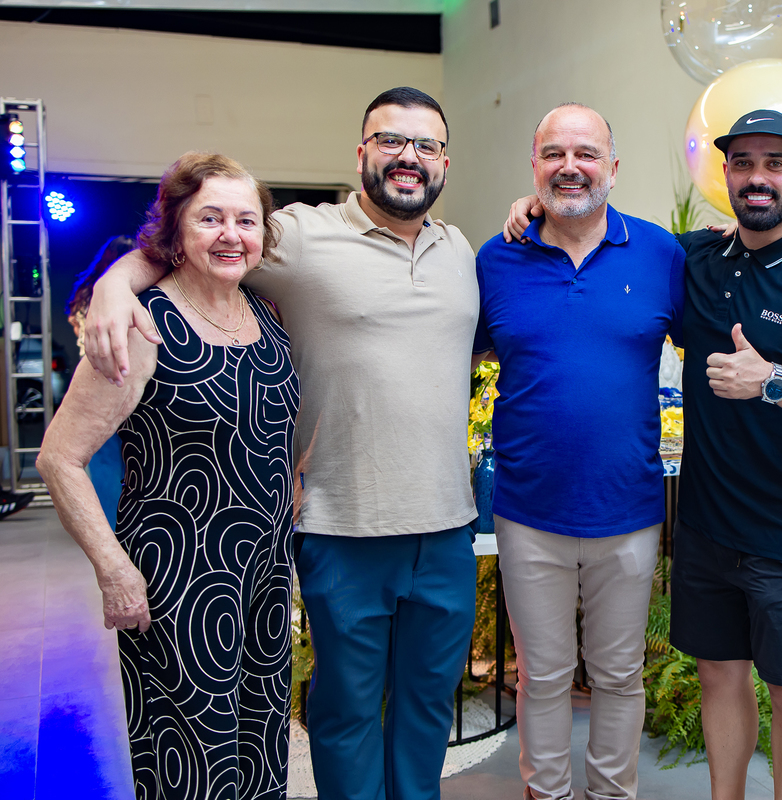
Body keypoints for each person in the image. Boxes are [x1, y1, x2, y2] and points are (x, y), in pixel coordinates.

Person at [83, 87, 480, 800]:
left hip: (447, 527)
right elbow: (196, 243)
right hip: (342, 526)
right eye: (390, 140)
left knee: (427, 708)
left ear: (444, 162)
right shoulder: (297, 235)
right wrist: (116, 283)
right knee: (346, 711)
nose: (408, 157)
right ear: (362, 153)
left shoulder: (460, 250)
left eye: (425, 145)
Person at [505, 108, 782, 800]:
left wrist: (772, 381)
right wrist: (539, 207)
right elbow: (597, 231)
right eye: (743, 163)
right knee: (719, 675)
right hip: (707, 526)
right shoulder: (694, 259)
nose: (757, 177)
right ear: (726, 174)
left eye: (775, 163)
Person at [38, 153, 299, 799]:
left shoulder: (268, 317)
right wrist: (113, 569)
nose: (231, 234)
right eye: (210, 218)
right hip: (179, 586)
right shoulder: (142, 324)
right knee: (193, 768)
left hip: (262, 578)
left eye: (246, 220)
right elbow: (59, 458)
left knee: (261, 750)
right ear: (175, 231)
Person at [477, 102, 684, 800]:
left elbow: (711, 331)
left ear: (613, 168)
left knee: (619, 676)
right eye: (555, 154)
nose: (571, 167)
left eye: (586, 153)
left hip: (628, 509)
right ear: (534, 167)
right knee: (542, 676)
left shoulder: (661, 254)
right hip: (528, 511)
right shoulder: (496, 259)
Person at [66, 234, 137, 529]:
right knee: (132, 455)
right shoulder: (128, 293)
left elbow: (77, 329)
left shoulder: (86, 294)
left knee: (103, 458)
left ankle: (109, 524)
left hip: (90, 376)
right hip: (124, 375)